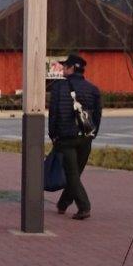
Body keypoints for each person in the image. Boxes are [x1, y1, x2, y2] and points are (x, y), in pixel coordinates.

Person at [48, 52, 102, 220]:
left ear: (72, 68)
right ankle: (63, 203)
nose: (63, 69)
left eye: (65, 66)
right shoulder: (93, 89)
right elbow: (97, 115)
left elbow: (53, 114)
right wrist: (93, 134)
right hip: (86, 137)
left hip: (66, 137)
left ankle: (84, 207)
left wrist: (53, 134)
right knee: (75, 174)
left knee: (72, 174)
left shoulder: (58, 88)